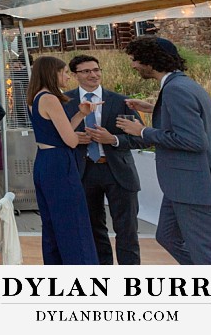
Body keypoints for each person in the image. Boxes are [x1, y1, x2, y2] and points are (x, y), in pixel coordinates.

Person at [116, 37, 211, 265]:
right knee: (167, 236)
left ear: (151, 60)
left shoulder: (176, 90)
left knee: (204, 251)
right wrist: (154, 109)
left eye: (135, 60)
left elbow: (194, 140)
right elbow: (190, 121)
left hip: (191, 185)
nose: (133, 65)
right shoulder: (183, 84)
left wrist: (142, 132)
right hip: (181, 185)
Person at [62, 55, 142, 265]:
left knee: (127, 229)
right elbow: (56, 136)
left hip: (118, 171)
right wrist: (74, 139)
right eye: (86, 71)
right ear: (74, 75)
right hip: (84, 170)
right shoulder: (65, 101)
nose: (93, 75)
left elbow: (140, 138)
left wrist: (113, 139)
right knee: (92, 229)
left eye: (96, 70)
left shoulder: (120, 100)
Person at [28, 55, 98, 265]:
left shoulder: (35, 97)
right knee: (73, 222)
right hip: (59, 163)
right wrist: (81, 136)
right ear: (53, 73)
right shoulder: (50, 98)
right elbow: (70, 140)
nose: (68, 77)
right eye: (65, 72)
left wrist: (79, 114)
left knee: (52, 222)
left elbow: (54, 131)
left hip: (44, 161)